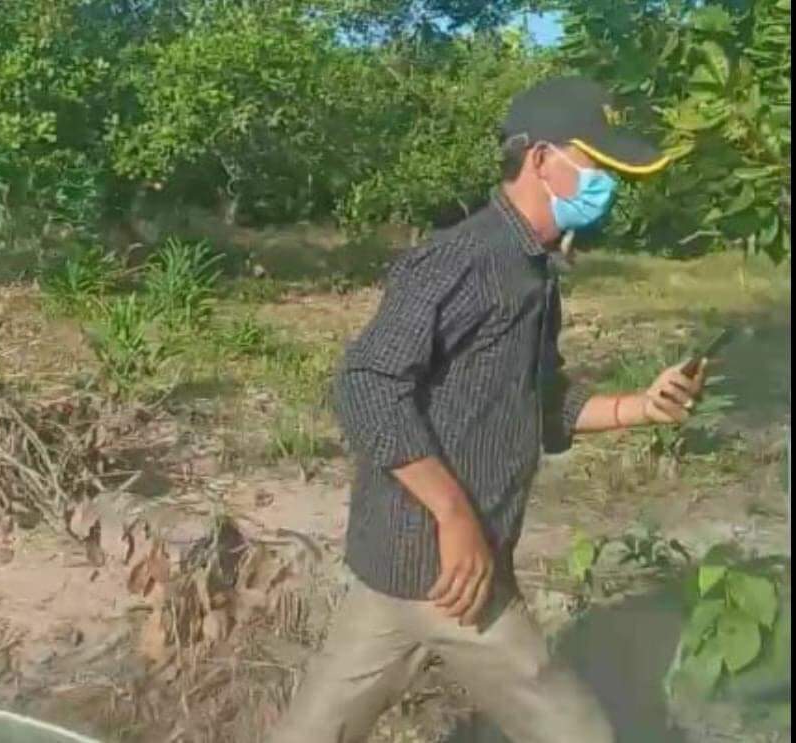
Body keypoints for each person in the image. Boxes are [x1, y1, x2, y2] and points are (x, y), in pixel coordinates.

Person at [267, 76, 709, 743]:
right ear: (540, 159)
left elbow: (539, 404)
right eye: (595, 167)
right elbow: (366, 383)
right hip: (452, 568)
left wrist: (640, 406)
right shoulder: (465, 258)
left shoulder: (532, 270)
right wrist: (454, 516)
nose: (608, 187)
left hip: (393, 560)